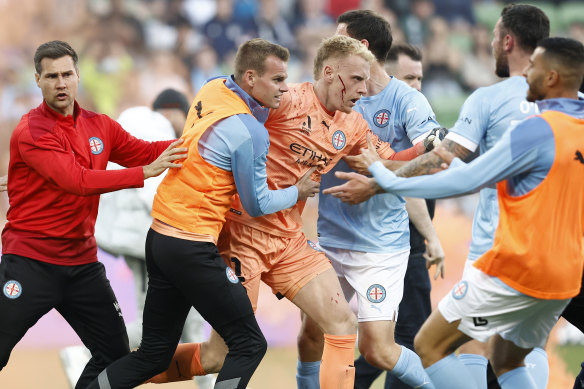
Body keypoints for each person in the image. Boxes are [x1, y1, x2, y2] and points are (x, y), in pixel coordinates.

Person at [150, 34, 441, 389]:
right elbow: (232, 97)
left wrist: (425, 148)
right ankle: (130, 372)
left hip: (289, 241)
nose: (364, 90)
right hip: (243, 238)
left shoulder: (353, 126)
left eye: (367, 80)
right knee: (218, 356)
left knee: (341, 324)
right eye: (357, 79)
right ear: (330, 73)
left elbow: (387, 161)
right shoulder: (285, 101)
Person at [324, 35, 584, 389]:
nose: (526, 74)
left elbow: (465, 179)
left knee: (428, 345)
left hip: (518, 268)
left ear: (553, 78)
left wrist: (383, 178)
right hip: (566, 277)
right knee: (509, 358)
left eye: (534, 69)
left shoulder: (538, 129)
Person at [86, 38, 320, 389]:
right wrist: (296, 192)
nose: (284, 89)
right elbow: (256, 205)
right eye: (277, 80)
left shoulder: (211, 89)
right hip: (192, 246)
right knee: (250, 344)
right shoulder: (250, 133)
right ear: (251, 78)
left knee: (153, 354)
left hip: (160, 237)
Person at [0, 40, 187, 389]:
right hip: (30, 260)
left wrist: (194, 143)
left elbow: (143, 151)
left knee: (115, 356)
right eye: (51, 76)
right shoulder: (33, 131)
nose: (61, 83)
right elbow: (77, 181)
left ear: (78, 76)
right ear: (37, 79)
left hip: (82, 265)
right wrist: (144, 173)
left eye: (67, 74)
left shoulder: (99, 125)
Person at [295, 11, 444, 389]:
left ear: (360, 47)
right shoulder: (329, 90)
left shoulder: (407, 102)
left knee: (378, 350)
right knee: (312, 336)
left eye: (338, 36)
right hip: (329, 241)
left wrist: (376, 180)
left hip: (380, 247)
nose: (329, 42)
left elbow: (433, 159)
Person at [58, 89, 214, 389]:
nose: (174, 121)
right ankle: (83, 355)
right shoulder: (158, 133)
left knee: (185, 318)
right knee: (160, 323)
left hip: (141, 238)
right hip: (155, 238)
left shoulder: (136, 126)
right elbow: (152, 192)